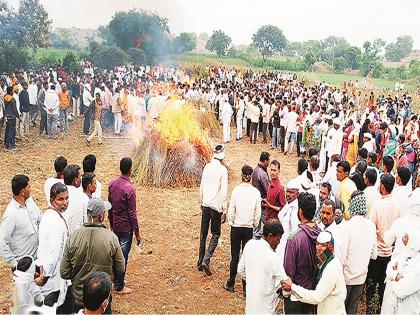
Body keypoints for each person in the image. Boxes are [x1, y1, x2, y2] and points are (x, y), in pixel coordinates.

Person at [61, 198, 125, 312]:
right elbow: (121, 268)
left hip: (79, 298)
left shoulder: (73, 237)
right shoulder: (111, 238)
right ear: (101, 216)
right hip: (102, 299)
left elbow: (64, 272)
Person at [281, 231, 346, 315]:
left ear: (330, 247)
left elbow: (317, 297)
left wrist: (292, 287)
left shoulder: (331, 268)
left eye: (323, 245)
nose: (318, 248)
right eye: (317, 244)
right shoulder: (325, 262)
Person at [36, 182, 73, 314]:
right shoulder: (54, 221)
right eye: (60, 199)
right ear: (52, 200)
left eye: (66, 198)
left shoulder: (52, 215)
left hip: (54, 275)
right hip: (53, 278)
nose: (65, 202)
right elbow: (53, 253)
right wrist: (45, 276)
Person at [366, 174, 402, 314]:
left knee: (372, 284)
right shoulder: (397, 206)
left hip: (377, 253)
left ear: (382, 186)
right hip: (390, 253)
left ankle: (371, 308)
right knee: (383, 285)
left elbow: (371, 228)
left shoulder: (377, 205)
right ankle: (381, 308)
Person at [224, 165, 261, 293]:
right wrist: (253, 224)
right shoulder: (255, 192)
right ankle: (246, 286)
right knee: (247, 258)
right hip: (248, 229)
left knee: (234, 256)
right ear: (250, 178)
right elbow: (258, 213)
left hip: (236, 227)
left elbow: (231, 210)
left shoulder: (236, 191)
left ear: (241, 176)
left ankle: (231, 283)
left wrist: (232, 223)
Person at [283, 192, 321, 314]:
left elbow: (289, 271)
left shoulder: (294, 238)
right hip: (313, 293)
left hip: (296, 293)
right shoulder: (321, 235)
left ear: (300, 211)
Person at [238, 220, 287, 314]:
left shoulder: (250, 245)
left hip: (251, 306)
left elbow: (240, 270)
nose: (279, 242)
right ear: (270, 236)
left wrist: (253, 281)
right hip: (266, 308)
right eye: (278, 239)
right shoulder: (274, 257)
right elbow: (284, 282)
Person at [341, 190, 377, 314]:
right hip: (361, 277)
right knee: (352, 310)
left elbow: (342, 256)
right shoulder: (371, 226)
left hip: (346, 278)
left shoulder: (347, 226)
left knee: (340, 310)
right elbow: (374, 255)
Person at [108, 157, 141, 294]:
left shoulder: (112, 184)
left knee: (115, 254)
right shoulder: (129, 189)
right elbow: (132, 214)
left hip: (115, 225)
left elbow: (109, 207)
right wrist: (137, 234)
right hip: (126, 228)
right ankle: (119, 286)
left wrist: (111, 222)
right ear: (130, 170)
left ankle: (115, 280)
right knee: (123, 257)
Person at [197, 145, 228, 276]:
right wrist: (225, 209)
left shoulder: (207, 167)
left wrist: (201, 201)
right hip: (216, 207)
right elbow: (224, 191)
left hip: (206, 204)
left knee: (203, 233)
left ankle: (199, 262)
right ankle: (206, 259)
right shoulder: (223, 170)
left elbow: (202, 185)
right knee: (215, 234)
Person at [0, 175, 41, 271]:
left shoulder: (30, 202)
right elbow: (2, 242)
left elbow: (40, 218)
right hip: (23, 267)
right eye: (28, 187)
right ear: (23, 191)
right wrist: (14, 264)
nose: (30, 189)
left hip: (37, 260)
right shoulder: (11, 214)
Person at [381, 232, 420, 315]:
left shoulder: (418, 264)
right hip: (393, 308)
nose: (403, 239)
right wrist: (396, 276)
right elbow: (389, 268)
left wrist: (391, 280)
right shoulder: (403, 255)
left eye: (406, 237)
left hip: (409, 309)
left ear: (414, 241)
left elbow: (402, 290)